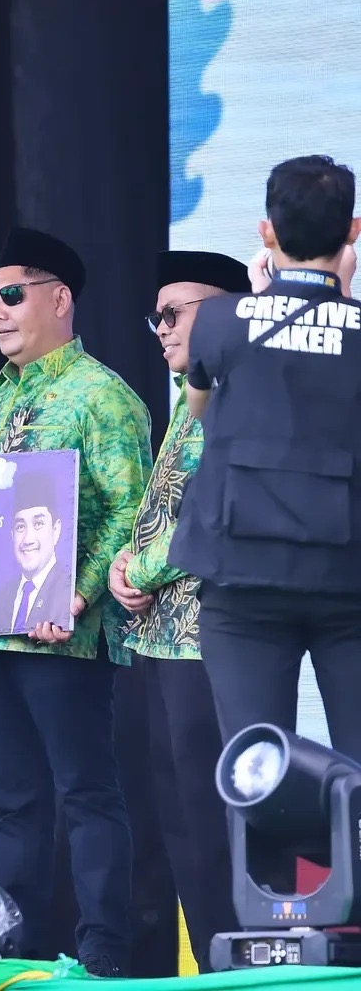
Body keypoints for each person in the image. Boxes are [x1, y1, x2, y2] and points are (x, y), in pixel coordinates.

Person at [0, 227, 153, 976]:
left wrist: (77, 591)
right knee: (11, 799)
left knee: (86, 791)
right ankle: (17, 951)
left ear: (59, 299)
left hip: (65, 634)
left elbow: (133, 511)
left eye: (11, 296)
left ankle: (104, 952)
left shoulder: (104, 396)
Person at [169, 155, 361, 768]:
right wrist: (339, 302)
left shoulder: (220, 320)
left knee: (257, 773)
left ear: (267, 231)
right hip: (348, 576)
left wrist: (265, 307)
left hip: (241, 574)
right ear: (352, 230)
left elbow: (198, 411)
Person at [108, 249, 250, 972]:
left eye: (174, 313)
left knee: (214, 819)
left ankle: (239, 970)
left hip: (211, 640)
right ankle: (207, 968)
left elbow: (211, 513)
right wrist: (121, 562)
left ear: (225, 313)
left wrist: (141, 567)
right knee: (175, 823)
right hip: (157, 643)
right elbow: (161, 509)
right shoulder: (187, 398)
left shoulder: (243, 390)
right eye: (155, 317)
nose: (160, 328)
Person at [0, 470, 72, 631]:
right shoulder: (0, 599)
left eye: (38, 524)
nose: (28, 539)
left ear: (55, 530)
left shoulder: (70, 590)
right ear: (12, 535)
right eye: (20, 527)